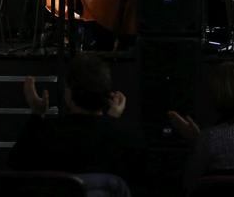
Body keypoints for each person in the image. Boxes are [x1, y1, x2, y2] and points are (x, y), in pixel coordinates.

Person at [8, 53, 143, 182]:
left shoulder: (46, 135)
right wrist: (111, 121)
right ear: (108, 94)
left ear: (68, 93)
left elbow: (16, 164)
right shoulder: (128, 138)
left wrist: (37, 114)